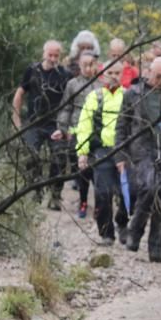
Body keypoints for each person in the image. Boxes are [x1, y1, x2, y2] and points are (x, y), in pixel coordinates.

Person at [116, 56, 161, 262]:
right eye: (157, 76)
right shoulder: (133, 94)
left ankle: (156, 248)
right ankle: (135, 231)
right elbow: (121, 125)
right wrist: (120, 155)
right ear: (149, 72)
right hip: (141, 150)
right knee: (149, 187)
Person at [11, 39, 70, 210]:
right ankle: (35, 189)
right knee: (30, 154)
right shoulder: (33, 70)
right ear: (44, 54)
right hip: (34, 122)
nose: (52, 58)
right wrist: (17, 121)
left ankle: (55, 194)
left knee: (59, 155)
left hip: (55, 124)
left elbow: (71, 98)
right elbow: (19, 93)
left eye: (56, 55)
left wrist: (67, 126)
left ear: (60, 56)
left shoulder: (64, 75)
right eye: (50, 55)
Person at [76, 61, 126, 245]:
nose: (113, 76)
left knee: (127, 193)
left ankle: (123, 223)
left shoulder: (129, 97)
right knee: (103, 193)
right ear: (103, 74)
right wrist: (82, 152)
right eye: (110, 72)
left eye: (117, 72)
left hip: (125, 152)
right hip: (102, 151)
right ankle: (106, 233)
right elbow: (84, 125)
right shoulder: (94, 97)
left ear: (123, 74)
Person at [57, 50, 101, 218]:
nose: (88, 68)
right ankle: (83, 202)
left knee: (97, 169)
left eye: (91, 65)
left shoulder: (101, 86)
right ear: (79, 66)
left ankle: (99, 204)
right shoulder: (73, 84)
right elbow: (66, 107)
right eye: (85, 65)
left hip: (96, 132)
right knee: (81, 170)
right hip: (77, 130)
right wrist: (63, 128)